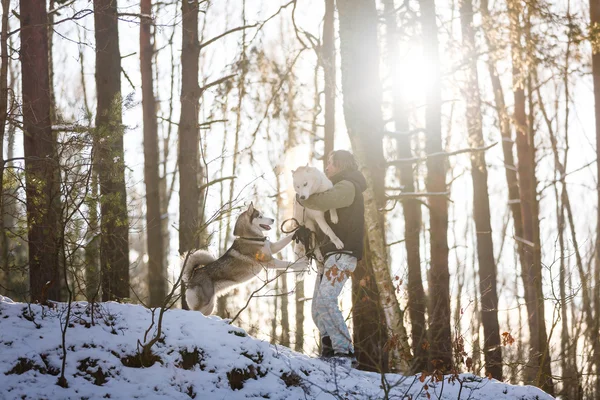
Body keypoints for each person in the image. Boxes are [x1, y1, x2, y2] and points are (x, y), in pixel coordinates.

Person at [296, 150, 366, 368]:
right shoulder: (335, 185)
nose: (327, 168)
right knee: (317, 308)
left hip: (344, 254)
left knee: (326, 300)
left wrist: (303, 196)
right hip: (330, 256)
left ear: (342, 165)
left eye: (331, 164)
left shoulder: (347, 185)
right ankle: (329, 351)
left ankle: (344, 352)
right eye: (326, 164)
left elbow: (325, 200)